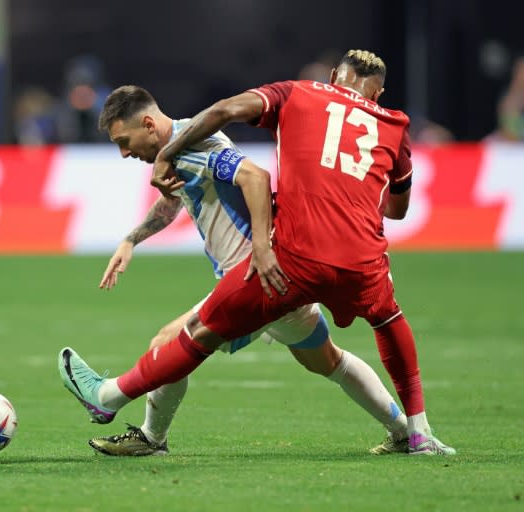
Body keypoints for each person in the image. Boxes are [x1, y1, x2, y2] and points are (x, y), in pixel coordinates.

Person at [59, 50, 455, 456]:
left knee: (172, 339)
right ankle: (406, 430)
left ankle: (137, 425)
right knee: (327, 361)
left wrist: (263, 250)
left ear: (147, 124)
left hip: (264, 273)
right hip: (294, 269)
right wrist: (131, 239)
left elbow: (253, 175)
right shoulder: (184, 146)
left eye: (124, 142)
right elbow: (178, 199)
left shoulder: (202, 142)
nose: (125, 153)